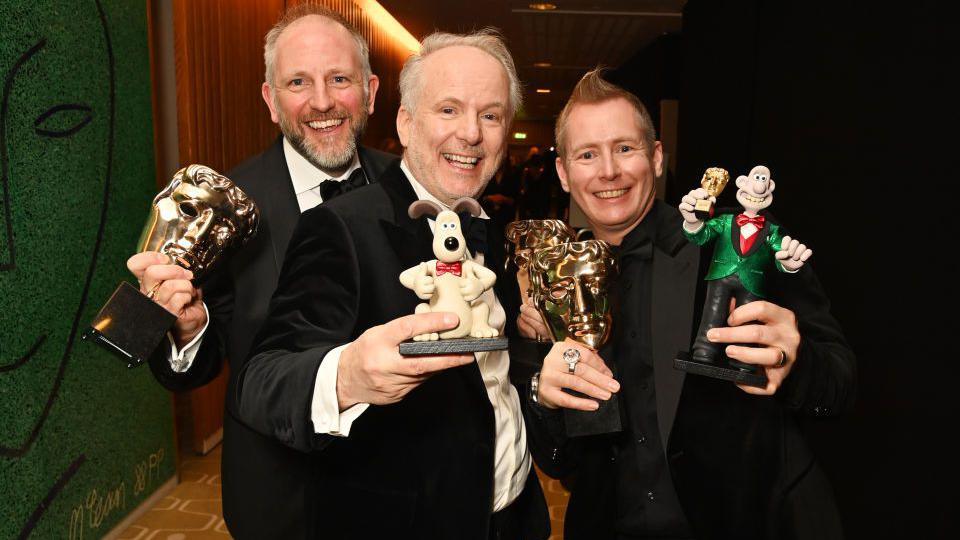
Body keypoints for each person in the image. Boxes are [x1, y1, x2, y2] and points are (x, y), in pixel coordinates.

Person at [234, 30, 549, 539]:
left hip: (514, 516)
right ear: (405, 122)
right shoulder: (342, 226)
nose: (470, 133)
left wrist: (538, 357)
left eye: (490, 116)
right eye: (448, 110)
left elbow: (492, 369)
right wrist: (347, 375)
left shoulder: (491, 228)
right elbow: (262, 379)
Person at [518, 69, 856, 540]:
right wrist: (543, 396)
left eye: (625, 148)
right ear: (563, 172)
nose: (608, 171)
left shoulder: (737, 244)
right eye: (587, 154)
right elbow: (560, 460)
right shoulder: (553, 278)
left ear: (657, 157)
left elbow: (838, 384)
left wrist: (796, 362)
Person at [125, 5, 395, 538]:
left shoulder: (408, 190)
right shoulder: (219, 209)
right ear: (271, 101)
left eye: (339, 79)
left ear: (370, 90)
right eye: (298, 82)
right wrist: (186, 327)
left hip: (399, 490)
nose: (321, 101)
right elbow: (193, 368)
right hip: (281, 499)